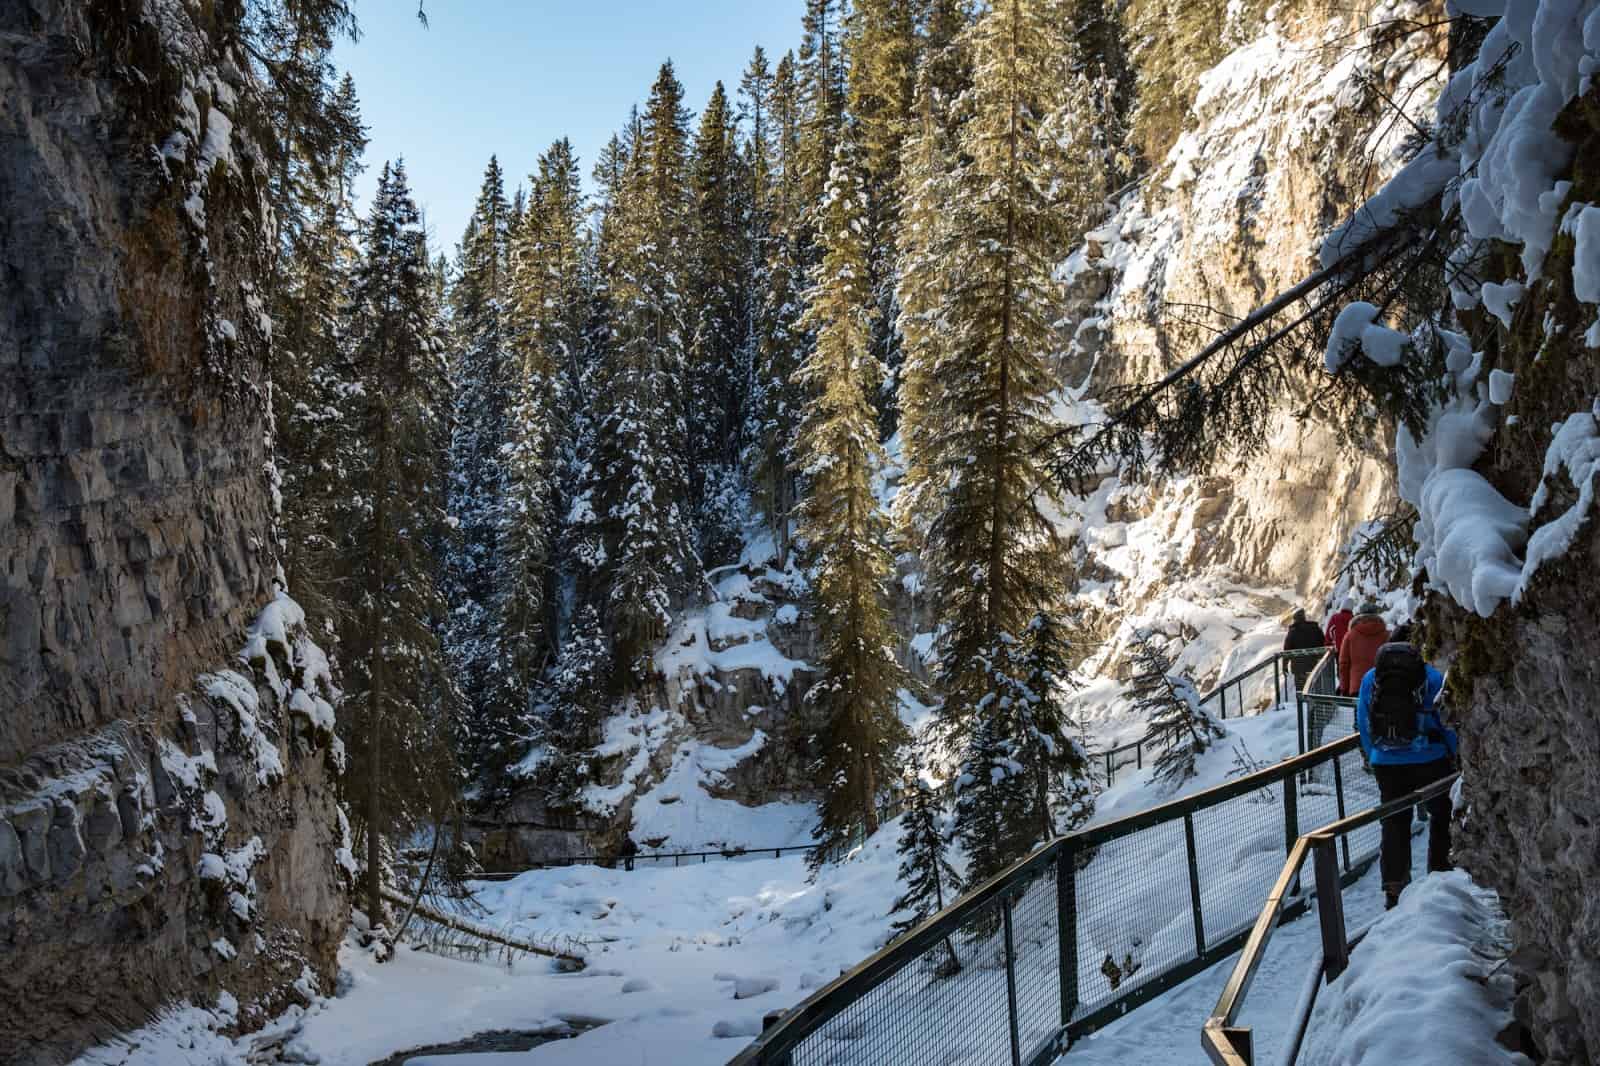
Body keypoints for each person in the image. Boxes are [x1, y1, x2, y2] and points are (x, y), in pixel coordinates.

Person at [1355, 624, 1456, 909]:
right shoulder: (1433, 677)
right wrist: (1455, 753)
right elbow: (1446, 722)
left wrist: (1374, 753)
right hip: (1431, 760)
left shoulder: (1370, 680)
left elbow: (1363, 721)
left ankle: (1395, 889)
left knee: (1394, 822)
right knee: (1442, 816)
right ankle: (1441, 877)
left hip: (1388, 763)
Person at [1339, 603, 1388, 696]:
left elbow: (1344, 664)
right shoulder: (1386, 635)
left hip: (1357, 687)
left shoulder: (1350, 635)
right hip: (1381, 686)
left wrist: (1344, 688)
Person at [1282, 608, 1326, 690]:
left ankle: (1300, 702)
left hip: (1299, 668)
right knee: (1315, 688)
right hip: (1315, 664)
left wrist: (1284, 665)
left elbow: (1287, 649)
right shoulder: (1315, 628)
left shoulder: (1293, 632)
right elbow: (1323, 643)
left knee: (1300, 691)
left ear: (1295, 619)